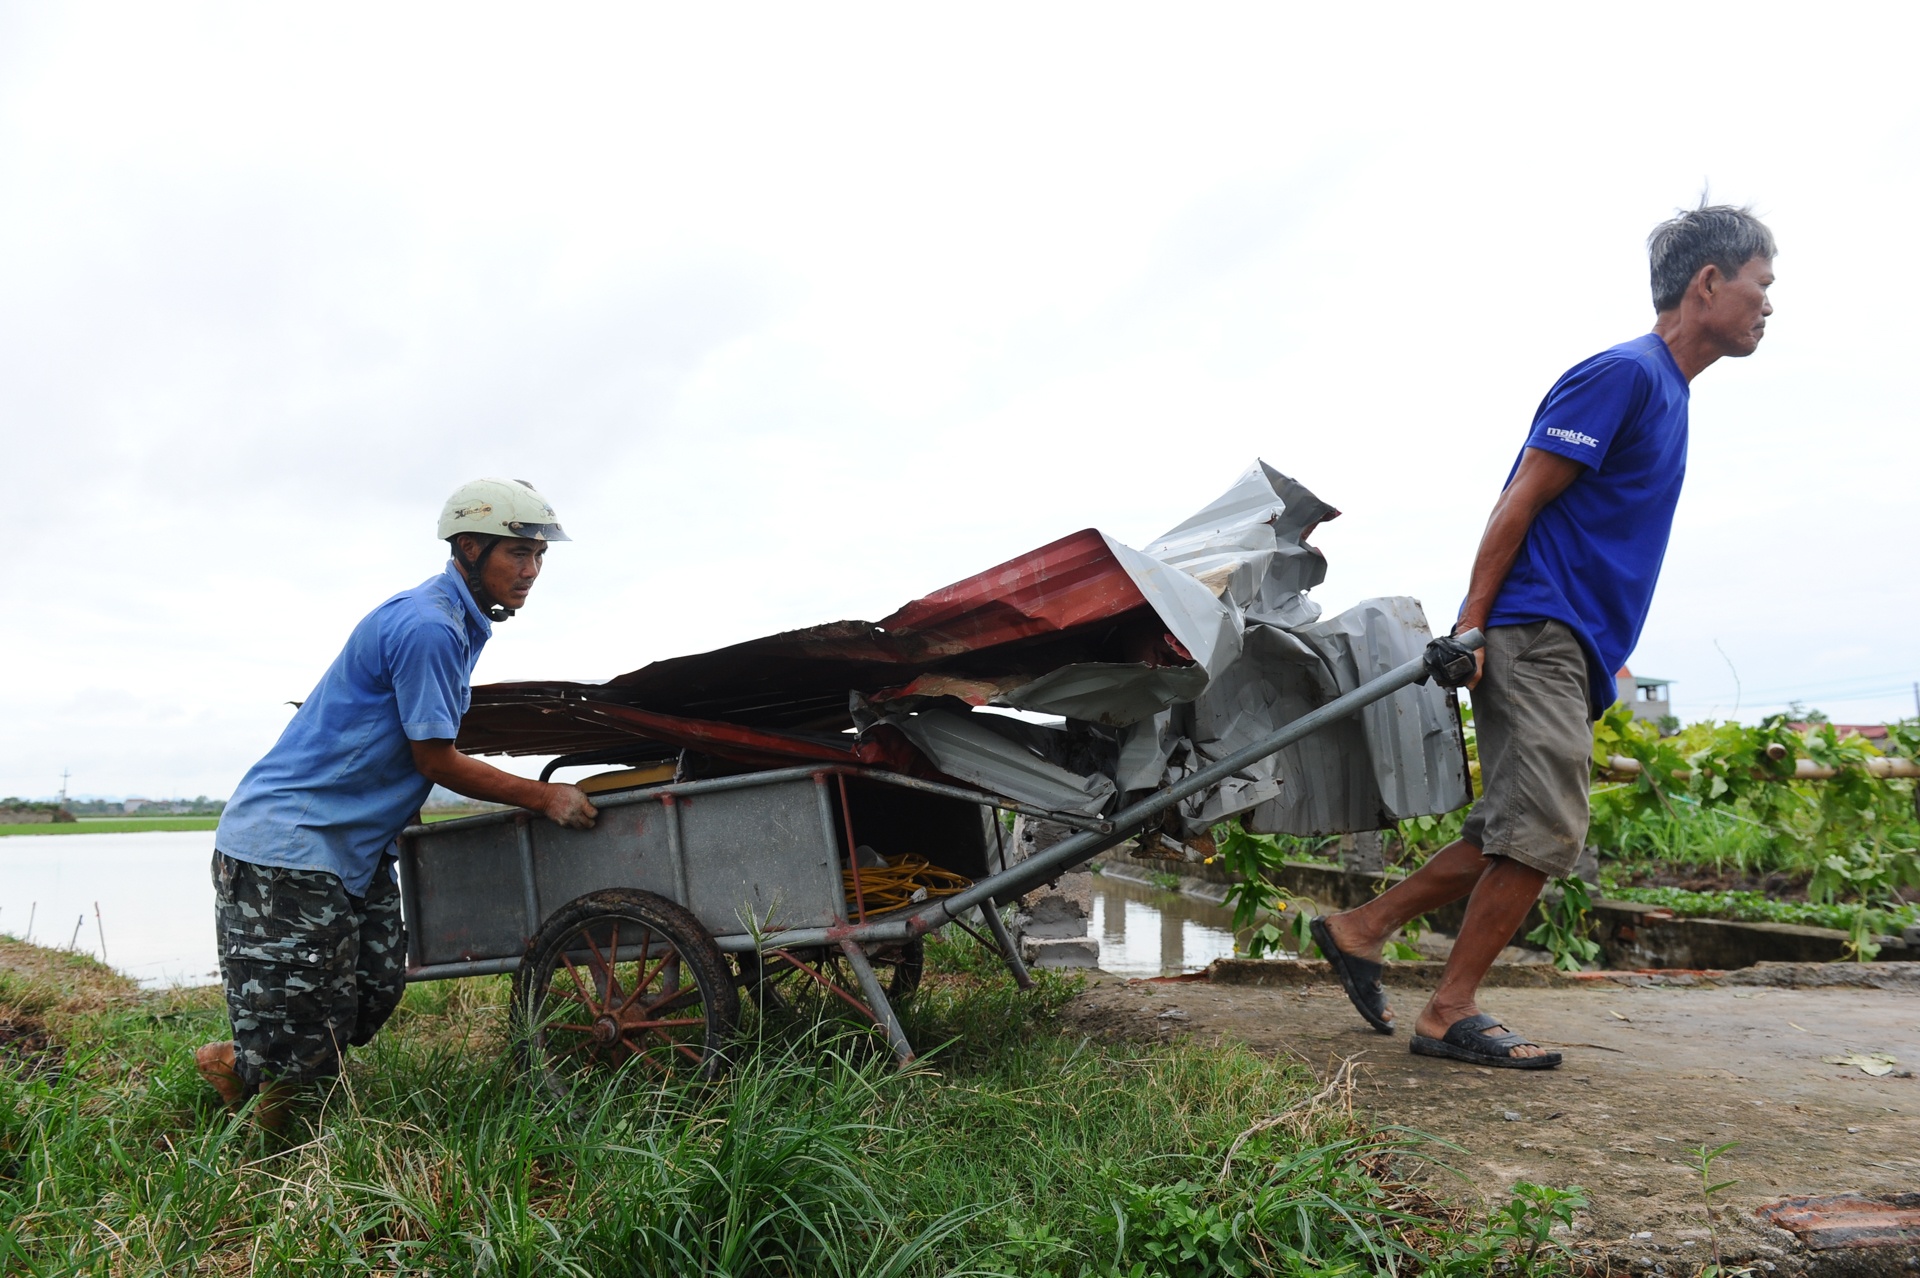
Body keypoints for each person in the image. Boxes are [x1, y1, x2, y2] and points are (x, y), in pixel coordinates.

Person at [1311, 203, 1777, 1069]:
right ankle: (1449, 1011)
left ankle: (1360, 928)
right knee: (1548, 828)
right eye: (1762, 283)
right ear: (1709, 283)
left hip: (1571, 641)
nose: (1769, 304)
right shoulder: (1624, 375)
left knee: (1509, 826)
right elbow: (1519, 498)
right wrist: (1472, 624)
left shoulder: (1668, 393)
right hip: (1539, 628)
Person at [195, 478, 601, 1123]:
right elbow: (435, 760)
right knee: (306, 1044)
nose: (531, 571)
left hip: (352, 847)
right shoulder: (428, 627)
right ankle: (269, 1142)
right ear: (469, 548)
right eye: (518, 553)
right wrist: (543, 796)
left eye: (539, 556)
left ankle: (242, 1064)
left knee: (372, 992)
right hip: (290, 844)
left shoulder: (459, 624)